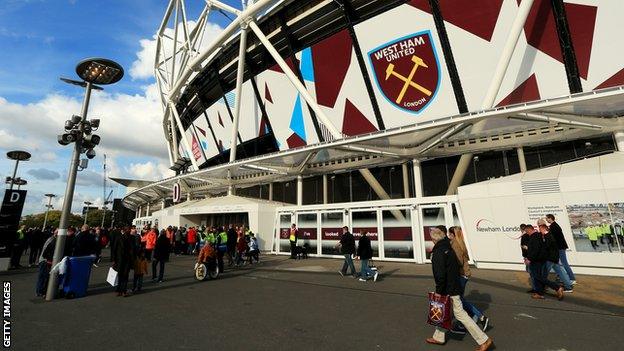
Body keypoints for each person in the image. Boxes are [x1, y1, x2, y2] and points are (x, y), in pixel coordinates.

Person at [426, 228, 493, 350]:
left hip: (448, 289)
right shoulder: (449, 248)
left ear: (433, 239)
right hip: (453, 285)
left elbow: (440, 275)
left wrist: (439, 292)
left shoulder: (439, 252)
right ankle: (438, 336)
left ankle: (484, 339)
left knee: (459, 314)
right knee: (446, 311)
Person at [448, 226, 489, 332]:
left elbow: (459, 262)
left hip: (460, 275)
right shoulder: (460, 242)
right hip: (464, 274)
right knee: (459, 299)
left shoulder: (455, 244)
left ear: (452, 235)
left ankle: (481, 317)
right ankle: (471, 319)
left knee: (459, 299)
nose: (448, 236)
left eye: (449, 234)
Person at [526, 224, 564, 300]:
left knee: (538, 277)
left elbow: (536, 250)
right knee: (537, 277)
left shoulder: (536, 237)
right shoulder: (539, 236)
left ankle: (557, 287)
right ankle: (539, 293)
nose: (527, 233)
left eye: (527, 231)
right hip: (540, 259)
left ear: (529, 230)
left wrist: (529, 258)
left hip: (537, 260)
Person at [545, 214, 576, 285]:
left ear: (550, 218)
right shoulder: (554, 226)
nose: (546, 220)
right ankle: (564, 278)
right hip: (559, 247)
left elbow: (554, 239)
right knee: (559, 263)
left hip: (560, 247)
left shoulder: (554, 226)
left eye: (547, 218)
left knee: (564, 263)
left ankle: (572, 278)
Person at [112, 227, 134, 297]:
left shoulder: (127, 237)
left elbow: (114, 249)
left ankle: (121, 290)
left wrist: (114, 259)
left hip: (122, 259)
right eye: (128, 230)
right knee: (123, 275)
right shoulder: (128, 238)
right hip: (123, 259)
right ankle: (122, 290)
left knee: (122, 275)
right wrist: (114, 259)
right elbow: (114, 248)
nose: (129, 231)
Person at [519, 224, 537, 293]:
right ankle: (536, 287)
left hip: (528, 257)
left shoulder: (525, 236)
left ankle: (536, 288)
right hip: (528, 256)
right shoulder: (527, 235)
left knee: (532, 272)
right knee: (531, 271)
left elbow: (528, 247)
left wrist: (526, 257)